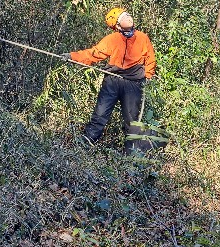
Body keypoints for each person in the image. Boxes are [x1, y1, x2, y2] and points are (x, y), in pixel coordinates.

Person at [67, 8, 156, 145]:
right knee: (100, 115)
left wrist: (148, 75)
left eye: (128, 14)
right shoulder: (112, 39)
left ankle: (132, 151)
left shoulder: (142, 38)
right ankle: (86, 143)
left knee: (132, 120)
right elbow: (94, 53)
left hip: (133, 83)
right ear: (117, 26)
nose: (128, 17)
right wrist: (72, 56)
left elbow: (150, 58)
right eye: (123, 17)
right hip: (112, 81)